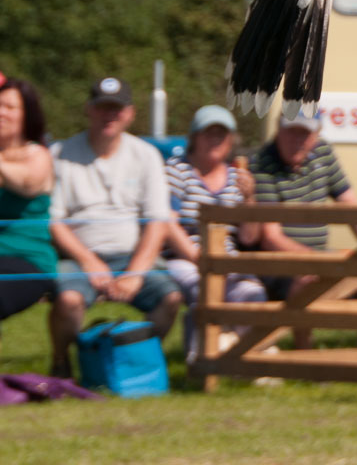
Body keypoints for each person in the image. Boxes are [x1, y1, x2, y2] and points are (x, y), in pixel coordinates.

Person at [47, 76, 182, 379]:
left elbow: (157, 221)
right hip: (80, 258)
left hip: (133, 257)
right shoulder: (60, 154)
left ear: (130, 113)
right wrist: (89, 261)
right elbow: (54, 221)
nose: (109, 115)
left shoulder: (146, 155)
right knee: (68, 301)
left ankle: (129, 359)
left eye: (116, 109)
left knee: (171, 300)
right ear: (88, 110)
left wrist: (135, 273)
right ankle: (61, 364)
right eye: (102, 108)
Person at [251, 112, 357, 348]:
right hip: (278, 262)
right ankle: (304, 350)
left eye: (304, 133)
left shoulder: (323, 153)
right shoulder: (262, 164)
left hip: (320, 253)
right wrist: (314, 260)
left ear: (316, 136)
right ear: (279, 130)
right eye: (291, 131)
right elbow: (270, 237)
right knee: (307, 276)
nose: (297, 140)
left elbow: (349, 203)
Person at [165, 104, 266, 362]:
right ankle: (200, 359)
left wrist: (249, 199)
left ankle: (251, 358)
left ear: (231, 140)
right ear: (194, 137)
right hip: (185, 256)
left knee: (253, 292)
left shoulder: (238, 177)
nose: (215, 140)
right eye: (208, 133)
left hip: (227, 256)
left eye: (222, 134)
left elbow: (248, 238)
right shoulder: (177, 171)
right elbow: (168, 225)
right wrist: (199, 257)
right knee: (204, 289)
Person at [0, 77, 56, 329]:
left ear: (27, 114)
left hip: (27, 260)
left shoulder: (38, 156)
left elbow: (28, 184)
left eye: (10, 107)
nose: (1, 112)